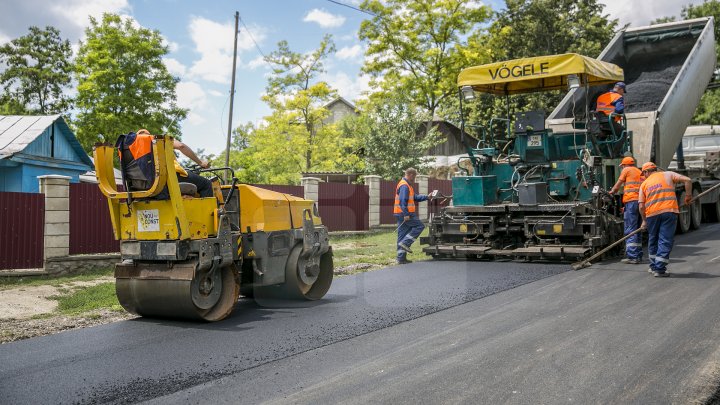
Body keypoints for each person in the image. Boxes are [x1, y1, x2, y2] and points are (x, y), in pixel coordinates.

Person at [638, 162, 692, 277]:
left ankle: (654, 267)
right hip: (669, 212)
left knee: (653, 239)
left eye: (644, 173)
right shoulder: (668, 174)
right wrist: (688, 196)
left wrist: (644, 220)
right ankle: (659, 269)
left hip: (652, 215)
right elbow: (687, 180)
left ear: (647, 172)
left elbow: (641, 206)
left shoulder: (644, 184)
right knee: (665, 240)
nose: (644, 176)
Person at [135, 129, 213, 198]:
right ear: (148, 135)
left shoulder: (132, 150)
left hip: (145, 184)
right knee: (206, 184)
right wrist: (200, 162)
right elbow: (181, 146)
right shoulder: (156, 140)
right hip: (169, 177)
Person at [394, 168, 433, 264]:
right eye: (415, 176)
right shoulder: (404, 186)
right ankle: (406, 243)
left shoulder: (407, 185)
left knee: (402, 235)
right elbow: (402, 201)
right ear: (411, 175)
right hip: (406, 214)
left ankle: (401, 258)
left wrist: (427, 197)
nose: (415, 179)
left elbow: (415, 197)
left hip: (400, 213)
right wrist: (406, 214)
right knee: (420, 226)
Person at [608, 156, 644, 264]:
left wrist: (611, 192)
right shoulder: (639, 171)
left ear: (624, 165)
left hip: (631, 201)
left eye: (622, 165)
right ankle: (638, 255)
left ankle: (632, 256)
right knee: (637, 228)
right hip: (640, 201)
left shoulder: (626, 170)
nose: (622, 167)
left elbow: (618, 185)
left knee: (630, 228)